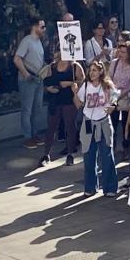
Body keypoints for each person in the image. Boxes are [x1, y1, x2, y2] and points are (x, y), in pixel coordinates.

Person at [73, 60, 118, 197]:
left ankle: (109, 187)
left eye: (94, 70)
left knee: (107, 154)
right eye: (90, 70)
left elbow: (115, 98)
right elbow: (78, 105)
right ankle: (90, 186)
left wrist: (113, 106)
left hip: (103, 122)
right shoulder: (85, 86)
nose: (91, 73)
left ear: (100, 72)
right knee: (88, 155)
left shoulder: (107, 86)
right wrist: (75, 93)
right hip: (88, 122)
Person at [42, 51, 83, 166]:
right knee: (51, 127)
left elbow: (83, 82)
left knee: (70, 126)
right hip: (55, 100)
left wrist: (70, 83)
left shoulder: (75, 66)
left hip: (69, 100)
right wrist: (48, 89)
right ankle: (46, 154)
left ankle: (70, 154)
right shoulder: (53, 66)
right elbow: (46, 81)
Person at [14, 17, 47, 149]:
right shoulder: (26, 41)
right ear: (35, 27)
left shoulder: (38, 41)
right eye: (42, 27)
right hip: (28, 79)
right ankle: (27, 136)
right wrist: (25, 73)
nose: (44, 30)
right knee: (27, 109)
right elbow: (17, 59)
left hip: (38, 78)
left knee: (36, 108)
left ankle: (34, 134)